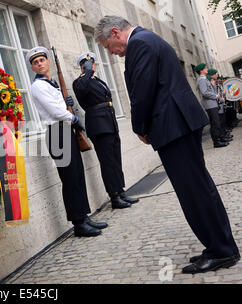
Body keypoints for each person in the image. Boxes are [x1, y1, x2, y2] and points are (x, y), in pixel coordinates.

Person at [95, 15, 240, 274]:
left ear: (115, 32)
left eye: (108, 46)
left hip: (173, 127)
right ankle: (218, 245)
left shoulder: (139, 44)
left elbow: (142, 92)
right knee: (198, 188)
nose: (112, 53)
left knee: (194, 192)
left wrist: (139, 127)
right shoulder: (148, 38)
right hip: (178, 125)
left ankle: (222, 251)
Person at [26, 46, 108, 237]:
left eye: (42, 60)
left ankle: (85, 216)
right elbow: (56, 113)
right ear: (32, 68)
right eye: (35, 63)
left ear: (48, 63)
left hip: (65, 131)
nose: (39, 64)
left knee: (78, 175)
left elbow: (60, 107)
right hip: (57, 133)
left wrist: (67, 104)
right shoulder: (38, 86)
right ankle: (78, 224)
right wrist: (74, 118)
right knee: (70, 179)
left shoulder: (52, 82)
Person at [72, 52, 139, 209]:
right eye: (87, 65)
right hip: (99, 126)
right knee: (107, 162)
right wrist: (87, 73)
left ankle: (121, 191)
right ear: (82, 67)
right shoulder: (80, 82)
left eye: (92, 64)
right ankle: (114, 197)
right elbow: (81, 91)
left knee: (116, 159)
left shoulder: (98, 81)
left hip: (109, 122)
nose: (91, 67)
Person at [195, 64, 230, 148]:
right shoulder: (202, 80)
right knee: (215, 123)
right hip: (210, 104)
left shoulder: (205, 79)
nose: (207, 69)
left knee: (216, 122)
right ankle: (216, 141)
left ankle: (219, 139)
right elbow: (205, 92)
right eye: (205, 68)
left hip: (212, 103)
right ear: (201, 71)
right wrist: (215, 96)